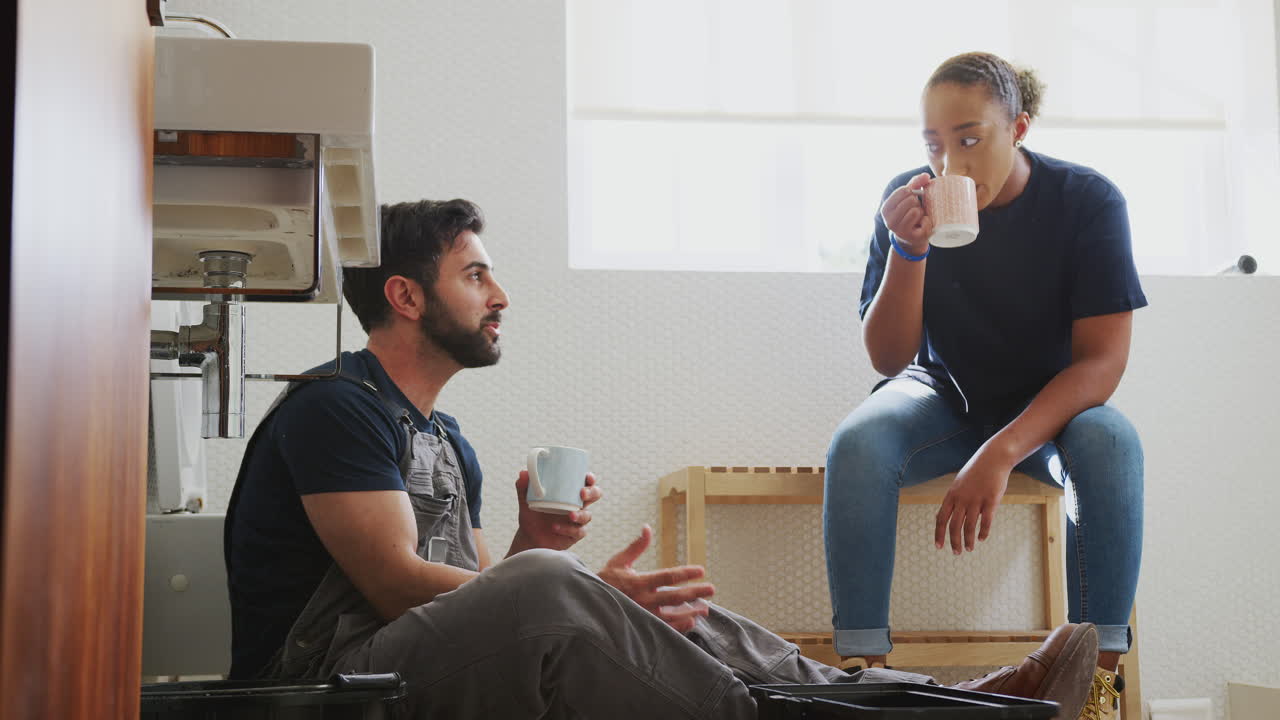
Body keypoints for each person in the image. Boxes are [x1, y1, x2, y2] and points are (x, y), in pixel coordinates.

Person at [225, 198, 1103, 719]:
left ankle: (936, 701)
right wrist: (568, 585)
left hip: (409, 656)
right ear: (406, 296)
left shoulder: (443, 437)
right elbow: (393, 586)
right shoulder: (338, 406)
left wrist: (535, 544)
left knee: (666, 607)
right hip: (326, 686)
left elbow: (473, 597)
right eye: (475, 276)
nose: (501, 296)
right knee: (570, 591)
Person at [823, 51, 1145, 720]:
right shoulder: (907, 201)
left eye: (970, 139)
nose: (951, 165)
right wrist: (909, 252)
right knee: (857, 443)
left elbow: (1102, 363)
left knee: (1112, 441)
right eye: (934, 144)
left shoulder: (1086, 201)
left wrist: (999, 452)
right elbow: (888, 358)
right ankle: (865, 682)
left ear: (1019, 127)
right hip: (941, 396)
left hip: (1051, 407)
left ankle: (1097, 687)